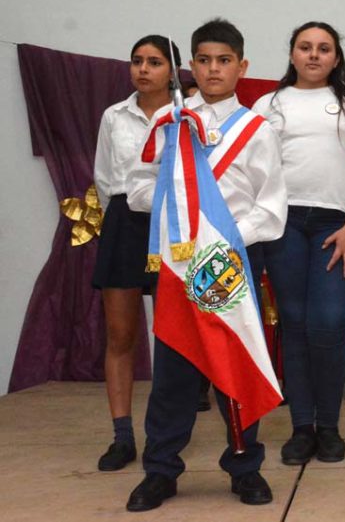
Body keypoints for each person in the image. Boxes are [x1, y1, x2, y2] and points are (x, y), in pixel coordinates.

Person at [124, 18, 287, 511]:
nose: (214, 70)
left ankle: (245, 466)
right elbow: (136, 188)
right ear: (189, 66)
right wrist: (179, 216)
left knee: (233, 360)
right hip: (178, 264)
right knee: (173, 367)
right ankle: (161, 469)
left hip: (228, 264)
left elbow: (272, 205)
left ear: (242, 66)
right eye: (204, 60)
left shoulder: (258, 130)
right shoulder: (167, 122)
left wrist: (227, 237)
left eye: (224, 61)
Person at [253, 21, 345, 465]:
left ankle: (328, 426)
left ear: (336, 57)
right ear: (291, 54)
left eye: (323, 48)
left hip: (337, 226)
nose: (314, 55)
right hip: (283, 224)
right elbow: (251, 172)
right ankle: (301, 428)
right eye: (305, 47)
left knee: (327, 323)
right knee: (293, 322)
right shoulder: (268, 105)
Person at [93, 35, 178, 471]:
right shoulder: (114, 116)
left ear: (173, 71)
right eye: (137, 61)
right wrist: (119, 224)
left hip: (172, 225)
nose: (143, 69)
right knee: (121, 335)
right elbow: (105, 180)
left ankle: (164, 435)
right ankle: (122, 436)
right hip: (124, 223)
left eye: (155, 62)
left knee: (171, 338)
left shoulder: (186, 116)